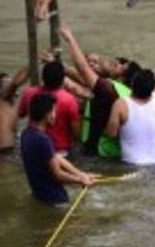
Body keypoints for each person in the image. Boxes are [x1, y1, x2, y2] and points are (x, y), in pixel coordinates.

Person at [58, 25, 141, 159]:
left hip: (98, 154)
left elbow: (82, 68)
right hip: (116, 152)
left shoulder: (109, 89)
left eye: (121, 67)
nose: (117, 63)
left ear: (122, 78)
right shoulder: (126, 92)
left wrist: (70, 39)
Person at [20, 94, 99, 205]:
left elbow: (55, 157)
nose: (55, 115)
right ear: (47, 115)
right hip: (56, 200)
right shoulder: (43, 140)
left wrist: (81, 174)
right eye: (54, 112)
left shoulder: (26, 134)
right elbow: (58, 175)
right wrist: (81, 180)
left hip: (38, 196)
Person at [105, 69, 155, 165]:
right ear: (152, 89)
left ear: (132, 85)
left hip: (132, 163)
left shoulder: (121, 104)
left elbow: (111, 134)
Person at [18, 60, 81, 155]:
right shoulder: (69, 99)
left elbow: (20, 114)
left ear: (43, 77)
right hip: (60, 150)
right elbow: (76, 132)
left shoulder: (29, 93)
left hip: (33, 146)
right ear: (62, 79)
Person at [0, 67, 29, 152]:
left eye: (10, 81)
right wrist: (35, 62)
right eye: (6, 82)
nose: (10, 83)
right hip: (1, 152)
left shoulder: (10, 103)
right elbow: (15, 83)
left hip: (6, 150)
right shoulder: (1, 99)